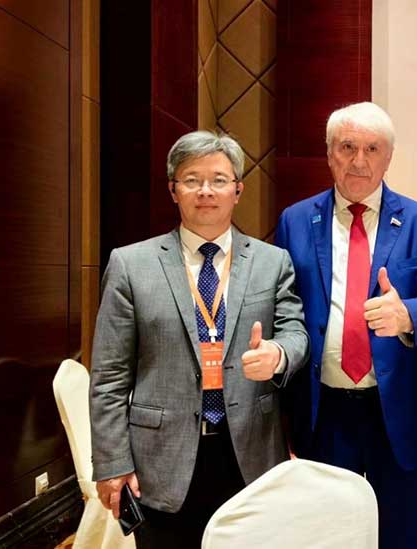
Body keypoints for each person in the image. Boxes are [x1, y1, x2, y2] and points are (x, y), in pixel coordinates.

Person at [89, 131, 309, 548]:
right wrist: (112, 462)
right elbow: (109, 375)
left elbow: (295, 333)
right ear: (173, 190)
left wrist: (278, 354)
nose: (206, 191)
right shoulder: (131, 264)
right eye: (192, 180)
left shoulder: (272, 261)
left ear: (237, 190)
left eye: (219, 180)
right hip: (161, 457)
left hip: (249, 452)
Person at [274, 102, 417, 549]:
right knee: (328, 534)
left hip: (396, 407)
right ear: (329, 154)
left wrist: (408, 314)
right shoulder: (295, 220)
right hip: (323, 409)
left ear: (388, 157)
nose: (359, 160)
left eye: (372, 149)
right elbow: (281, 301)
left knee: (402, 534)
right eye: (347, 147)